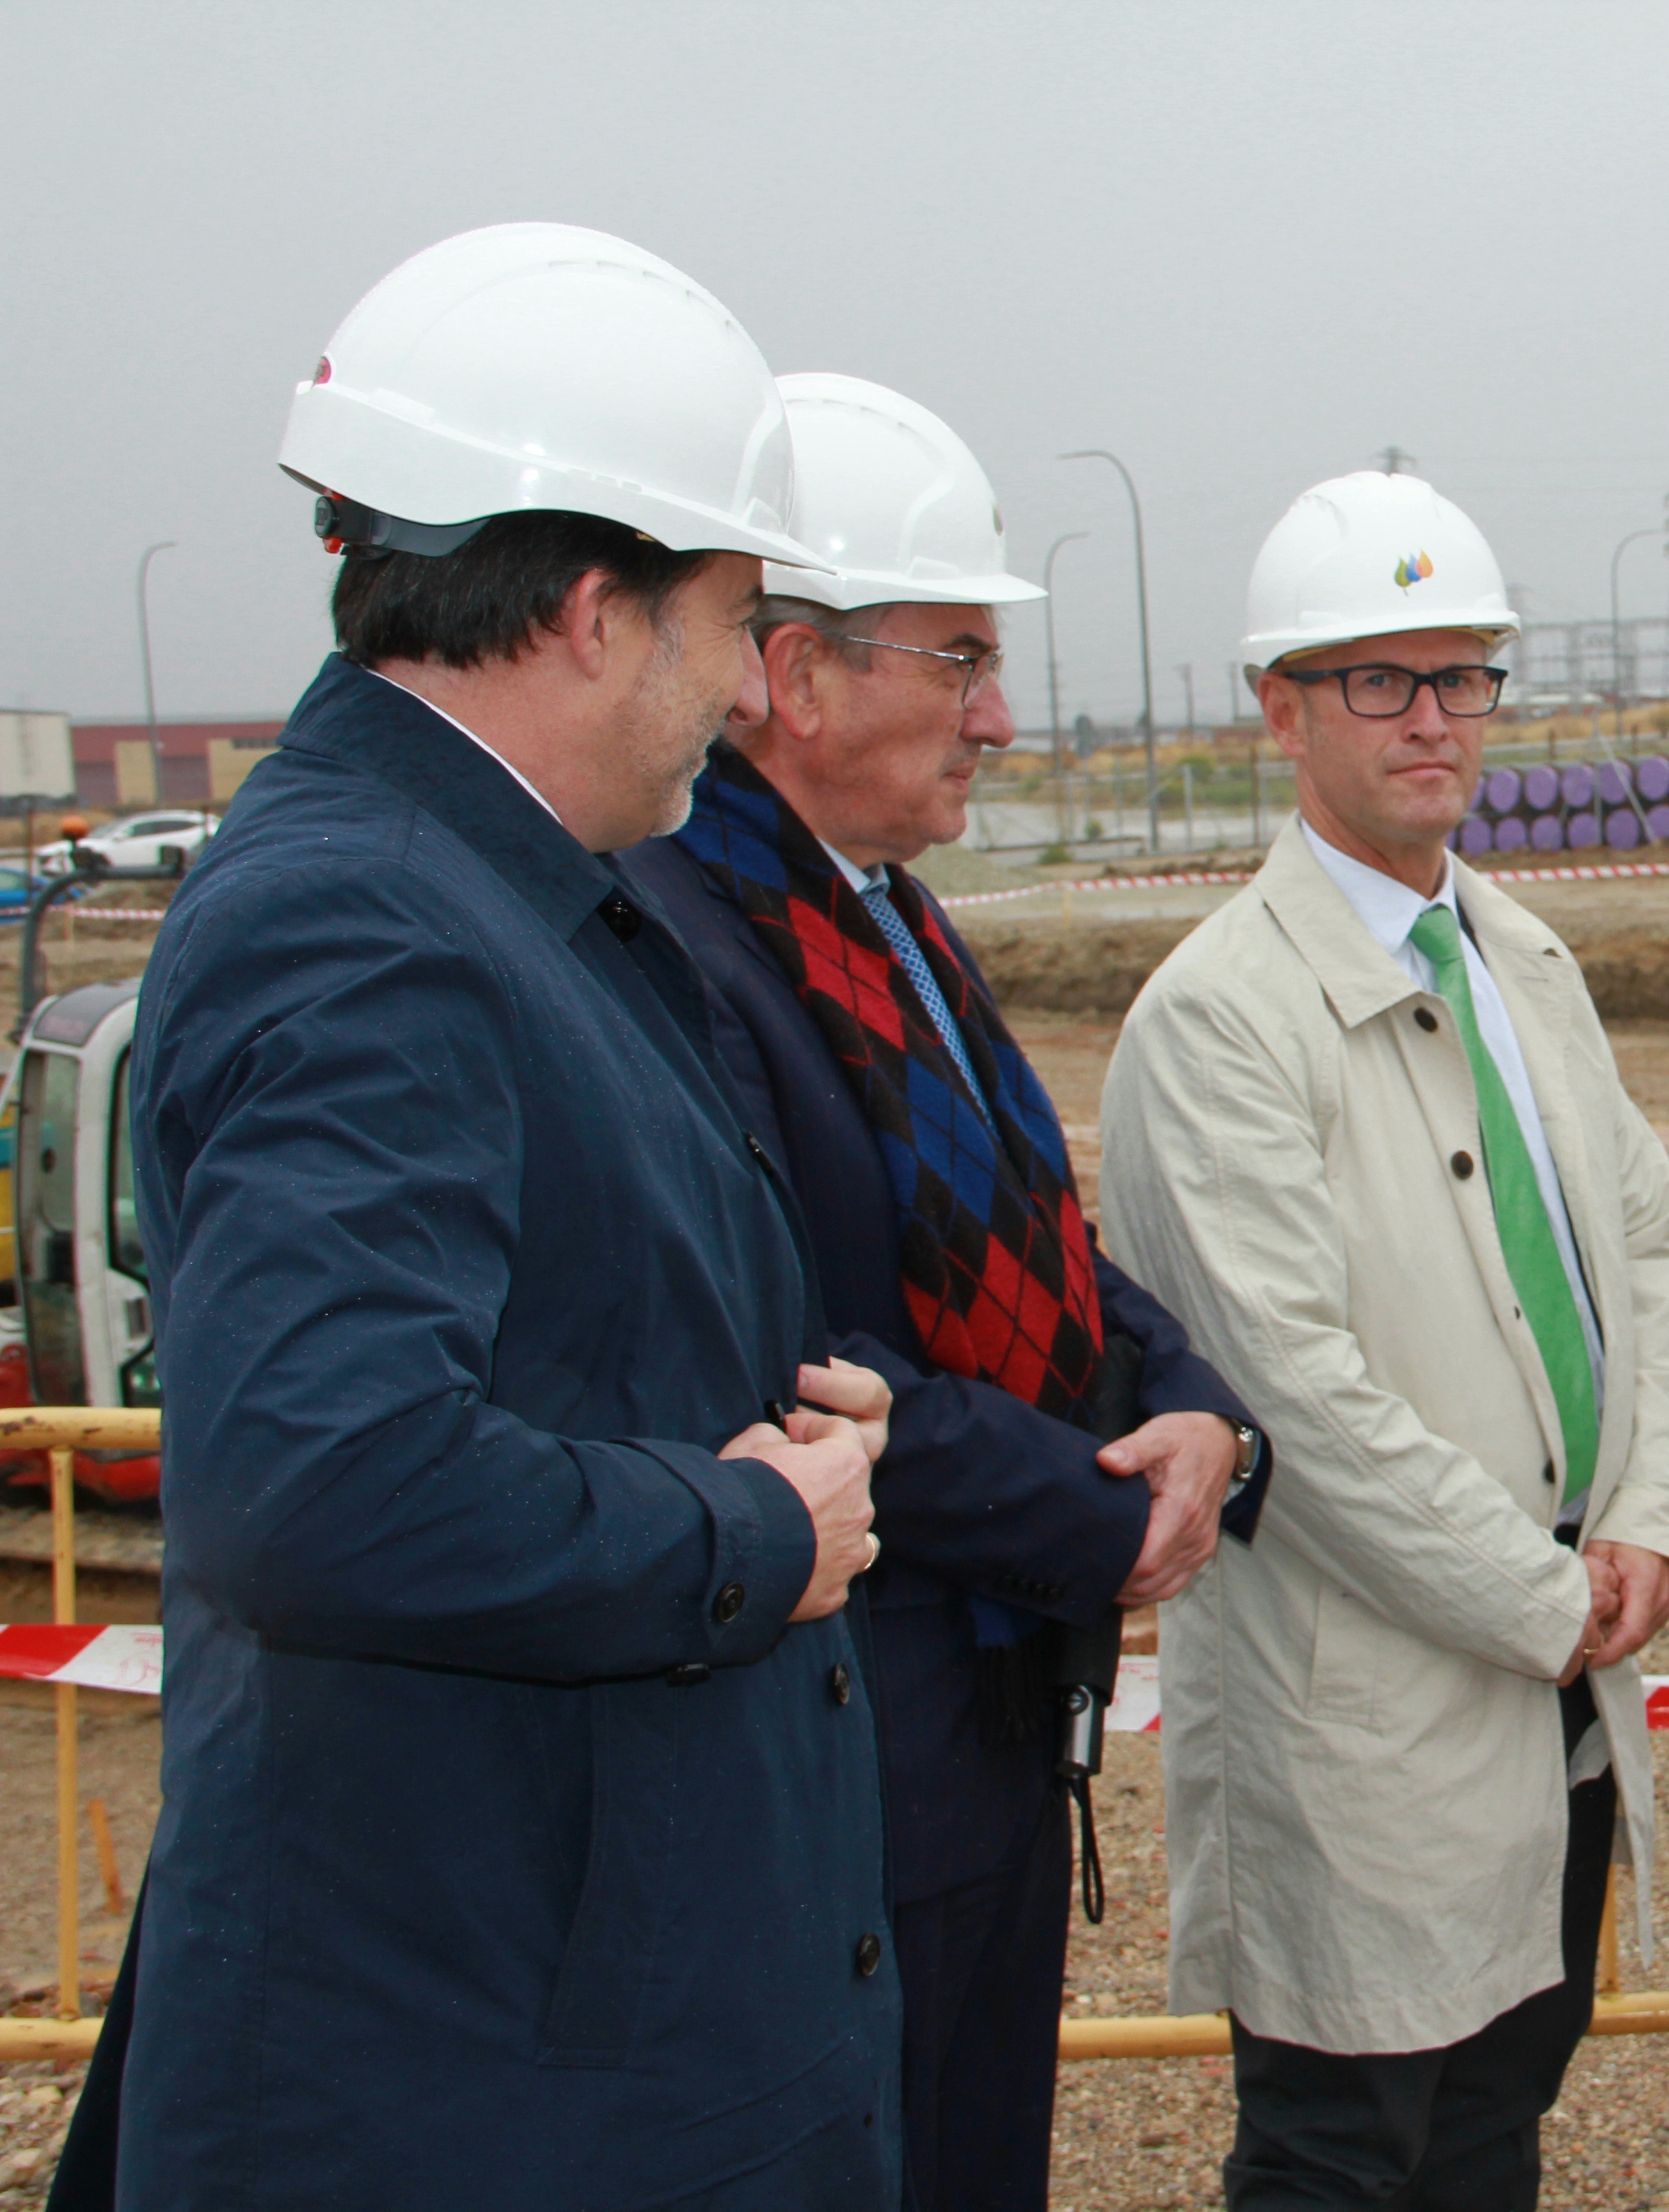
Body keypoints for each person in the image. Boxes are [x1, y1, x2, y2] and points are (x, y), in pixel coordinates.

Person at [102, 225, 900, 2207]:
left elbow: (563, 1337)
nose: (739, 688)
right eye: (729, 619)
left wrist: (799, 1422)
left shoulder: (500, 895)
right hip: (482, 2097)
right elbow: (324, 1480)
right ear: (583, 610)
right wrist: (751, 1528)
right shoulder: (365, 919)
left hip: (568, 2044)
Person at [624, 372, 1268, 2212]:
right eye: (961, 660)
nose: (997, 715)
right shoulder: (690, 949)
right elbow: (808, 1367)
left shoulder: (877, 911)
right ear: (800, 677)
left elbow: (1041, 1248)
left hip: (972, 1718)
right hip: (848, 1744)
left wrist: (1201, 1411)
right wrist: (1099, 1509)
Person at [1093, 470, 1669, 2211]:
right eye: (1380, 680)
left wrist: (1654, 1516)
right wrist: (1546, 1603)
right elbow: (1295, 1392)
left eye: (1462, 678)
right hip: (1368, 1721)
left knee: (1498, 2124)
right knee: (1346, 2150)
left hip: (1560, 1700)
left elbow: (1645, 1247)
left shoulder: (1526, 962)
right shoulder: (1222, 1019)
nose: (1431, 719)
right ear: (1282, 709)